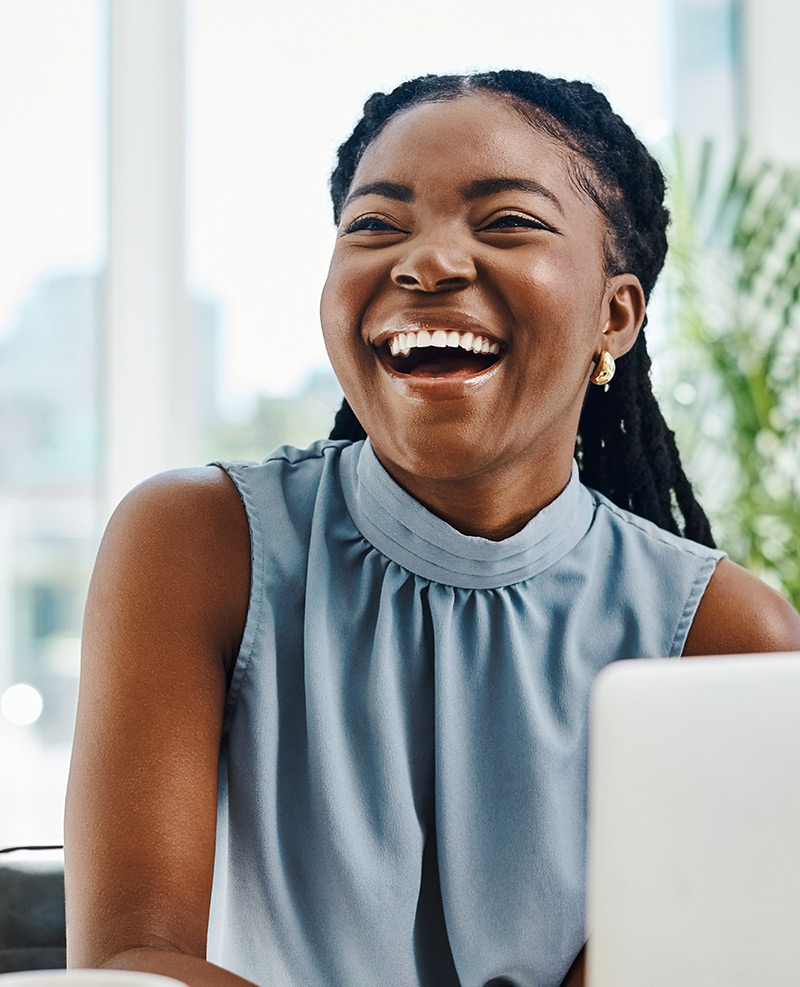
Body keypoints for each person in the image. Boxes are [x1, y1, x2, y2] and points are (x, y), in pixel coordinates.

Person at [65, 70, 800, 987]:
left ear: (617, 314)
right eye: (375, 225)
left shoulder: (724, 635)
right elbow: (132, 962)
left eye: (507, 223)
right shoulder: (195, 544)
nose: (427, 262)